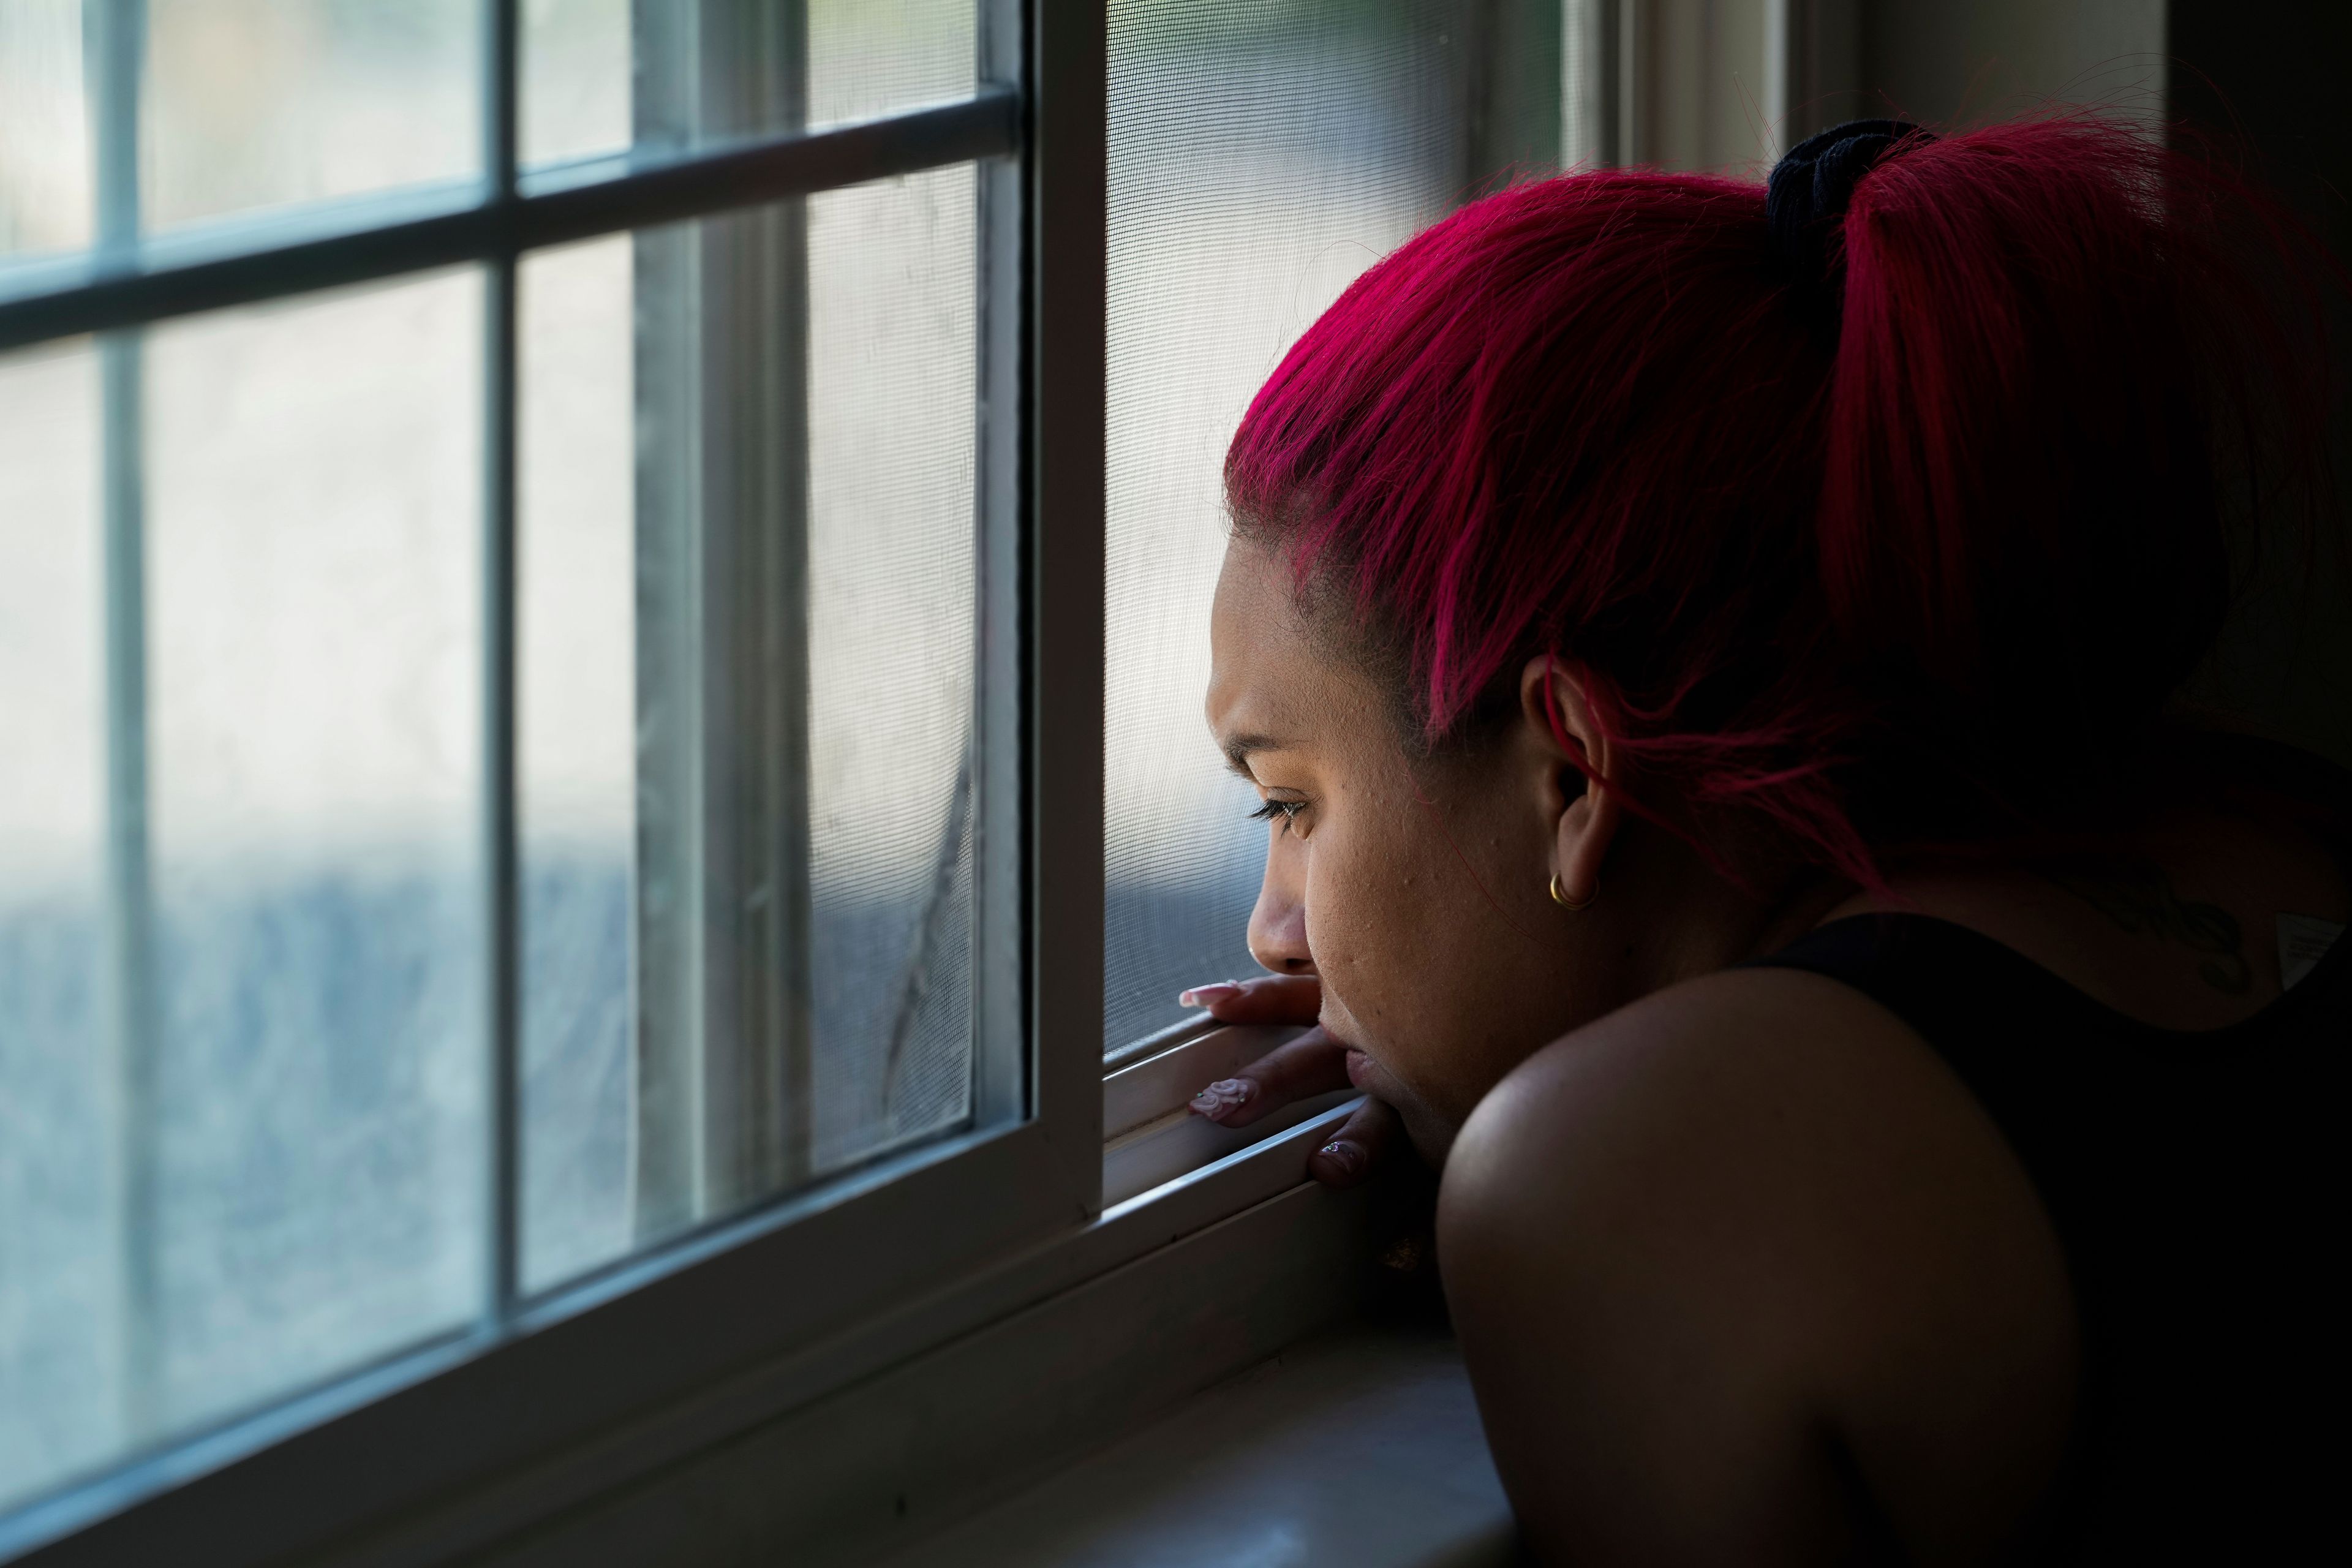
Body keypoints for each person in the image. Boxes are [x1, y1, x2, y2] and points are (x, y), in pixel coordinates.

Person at [1178, 117, 2347, 1562]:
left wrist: (1543, 1151)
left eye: (1288, 804)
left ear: (1578, 773)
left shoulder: (1630, 1178)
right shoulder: (2274, 814)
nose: (1271, 930)